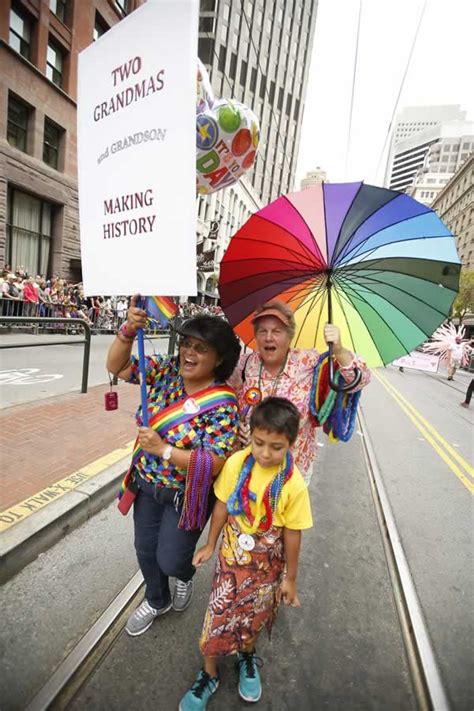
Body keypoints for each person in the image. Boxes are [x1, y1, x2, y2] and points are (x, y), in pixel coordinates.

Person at [106, 296, 241, 637]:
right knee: (145, 552)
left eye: (201, 349)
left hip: (186, 497)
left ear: (220, 358)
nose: (188, 354)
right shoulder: (167, 370)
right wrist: (127, 331)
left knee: (171, 560)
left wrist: (164, 450)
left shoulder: (224, 403)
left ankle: (183, 576)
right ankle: (157, 598)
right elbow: (118, 368)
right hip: (147, 487)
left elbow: (214, 463)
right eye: (186, 344)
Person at [179, 397, 312, 710]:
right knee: (218, 616)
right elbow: (223, 503)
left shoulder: (293, 484)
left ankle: (247, 656)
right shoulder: (238, 462)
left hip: (267, 566)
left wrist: (290, 579)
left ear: (291, 444)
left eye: (276, 447)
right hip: (231, 558)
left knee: (253, 617)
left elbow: (293, 532)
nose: (265, 454)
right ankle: (209, 673)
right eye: (259, 443)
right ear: (250, 435)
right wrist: (211, 543)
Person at [228, 301, 370, 485]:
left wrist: (339, 350)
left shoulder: (308, 361)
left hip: (293, 473)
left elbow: (359, 381)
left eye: (277, 331)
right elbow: (226, 400)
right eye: (262, 331)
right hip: (248, 467)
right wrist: (236, 427)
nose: (268, 337)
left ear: (289, 337)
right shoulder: (244, 364)